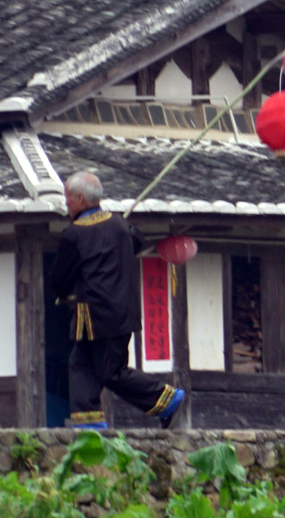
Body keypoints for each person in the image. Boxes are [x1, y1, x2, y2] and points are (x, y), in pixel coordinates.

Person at [50, 171, 186, 430]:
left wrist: (65, 292)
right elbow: (137, 241)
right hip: (120, 315)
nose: (65, 202)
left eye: (68, 197)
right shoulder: (121, 226)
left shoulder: (75, 234)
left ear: (80, 199)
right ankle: (88, 423)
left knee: (111, 372)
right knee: (81, 364)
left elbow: (60, 278)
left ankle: (167, 399)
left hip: (97, 315)